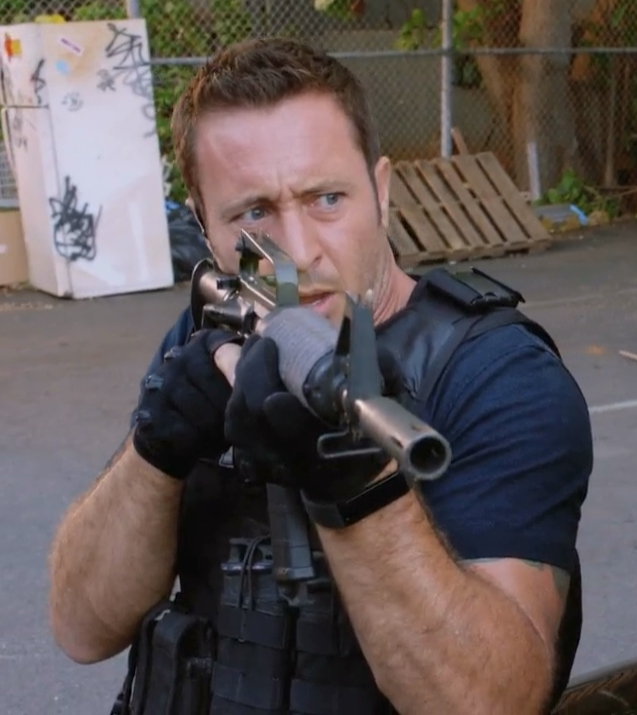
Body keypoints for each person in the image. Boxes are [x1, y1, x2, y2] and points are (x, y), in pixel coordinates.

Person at [49, 37, 592, 714]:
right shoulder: (207, 336)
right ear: (204, 226)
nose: (298, 253)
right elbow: (81, 627)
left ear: (381, 191)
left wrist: (359, 487)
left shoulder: (495, 376)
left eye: (326, 199)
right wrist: (155, 451)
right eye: (253, 213)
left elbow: (490, 700)